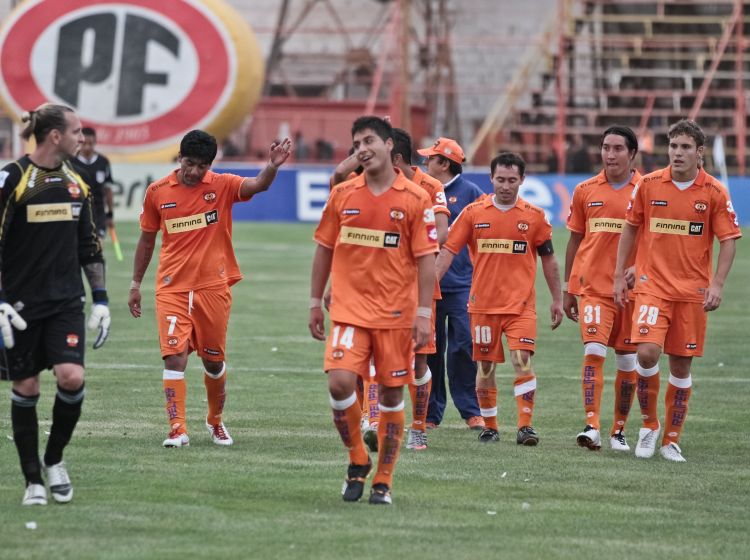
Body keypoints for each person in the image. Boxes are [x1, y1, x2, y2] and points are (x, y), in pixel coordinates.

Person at [128, 130, 291, 448]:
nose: (193, 172)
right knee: (174, 358)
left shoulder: (222, 185)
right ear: (179, 158)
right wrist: (135, 284)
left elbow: (257, 186)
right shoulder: (157, 192)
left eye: (201, 166)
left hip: (213, 288)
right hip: (171, 289)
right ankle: (177, 428)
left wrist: (272, 166)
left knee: (213, 361)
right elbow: (147, 239)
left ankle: (215, 421)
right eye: (189, 163)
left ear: (209, 165)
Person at [309, 116, 437, 505]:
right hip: (349, 311)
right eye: (356, 143)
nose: (362, 149)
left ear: (388, 147)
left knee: (392, 398)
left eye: (369, 141)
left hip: (396, 317)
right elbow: (325, 248)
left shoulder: (415, 198)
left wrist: (423, 313)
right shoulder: (343, 195)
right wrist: (316, 300)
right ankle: (357, 458)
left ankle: (384, 479)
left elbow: (426, 259)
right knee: (339, 383)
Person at [0, 103, 110, 506]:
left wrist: (100, 300)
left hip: (66, 301)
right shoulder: (12, 179)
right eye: (77, 131)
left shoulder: (78, 181)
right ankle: (32, 482)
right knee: (26, 386)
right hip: (18, 307)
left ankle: (54, 460)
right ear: (55, 136)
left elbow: (90, 245)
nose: (84, 137)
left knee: (72, 378)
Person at [614, 119, 741, 462]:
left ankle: (671, 439)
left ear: (699, 153)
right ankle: (649, 426)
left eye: (685, 147)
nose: (678, 153)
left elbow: (729, 242)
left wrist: (716, 284)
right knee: (646, 354)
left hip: (691, 293)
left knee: (681, 368)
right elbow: (629, 229)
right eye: (673, 146)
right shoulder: (650, 185)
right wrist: (618, 274)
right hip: (652, 287)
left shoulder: (714, 191)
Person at [435, 152, 563, 445]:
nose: (506, 186)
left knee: (522, 360)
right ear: (491, 179)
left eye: (512, 180)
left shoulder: (534, 216)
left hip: (521, 306)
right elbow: (448, 253)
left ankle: (525, 426)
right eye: (500, 179)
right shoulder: (473, 213)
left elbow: (549, 260)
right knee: (485, 367)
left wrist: (557, 299)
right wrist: (430, 289)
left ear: (522, 180)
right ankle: (490, 426)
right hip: (483, 306)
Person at [564, 126, 642, 451]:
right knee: (593, 352)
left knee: (627, 362)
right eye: (606, 148)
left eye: (618, 149)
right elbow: (575, 240)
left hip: (633, 292)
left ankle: (618, 431)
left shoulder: (647, 190)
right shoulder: (585, 190)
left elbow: (656, 240)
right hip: (593, 288)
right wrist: (569, 288)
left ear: (632, 154)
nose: (610, 154)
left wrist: (640, 269)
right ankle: (591, 425)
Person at [418, 137, 485, 430]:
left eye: (429, 159)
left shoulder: (471, 193)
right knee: (429, 349)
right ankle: (431, 414)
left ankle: (470, 410)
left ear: (443, 164)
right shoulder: (420, 189)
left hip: (461, 284)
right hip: (425, 284)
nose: (424, 163)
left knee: (464, 346)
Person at [70, 127, 115, 239]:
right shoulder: (71, 162)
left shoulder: (103, 162)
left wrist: (110, 214)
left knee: (98, 247)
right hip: (77, 211)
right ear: (80, 142)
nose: (87, 147)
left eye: (91, 144)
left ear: (95, 142)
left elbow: (108, 190)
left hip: (98, 212)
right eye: (85, 143)